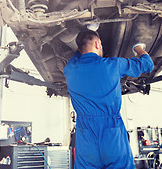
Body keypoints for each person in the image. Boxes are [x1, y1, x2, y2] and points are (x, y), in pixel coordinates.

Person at [63, 30, 154, 169]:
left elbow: (77, 55)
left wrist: (82, 44)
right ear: (97, 44)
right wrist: (138, 48)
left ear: (80, 48)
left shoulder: (69, 69)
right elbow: (148, 65)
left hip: (85, 133)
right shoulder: (113, 64)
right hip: (111, 130)